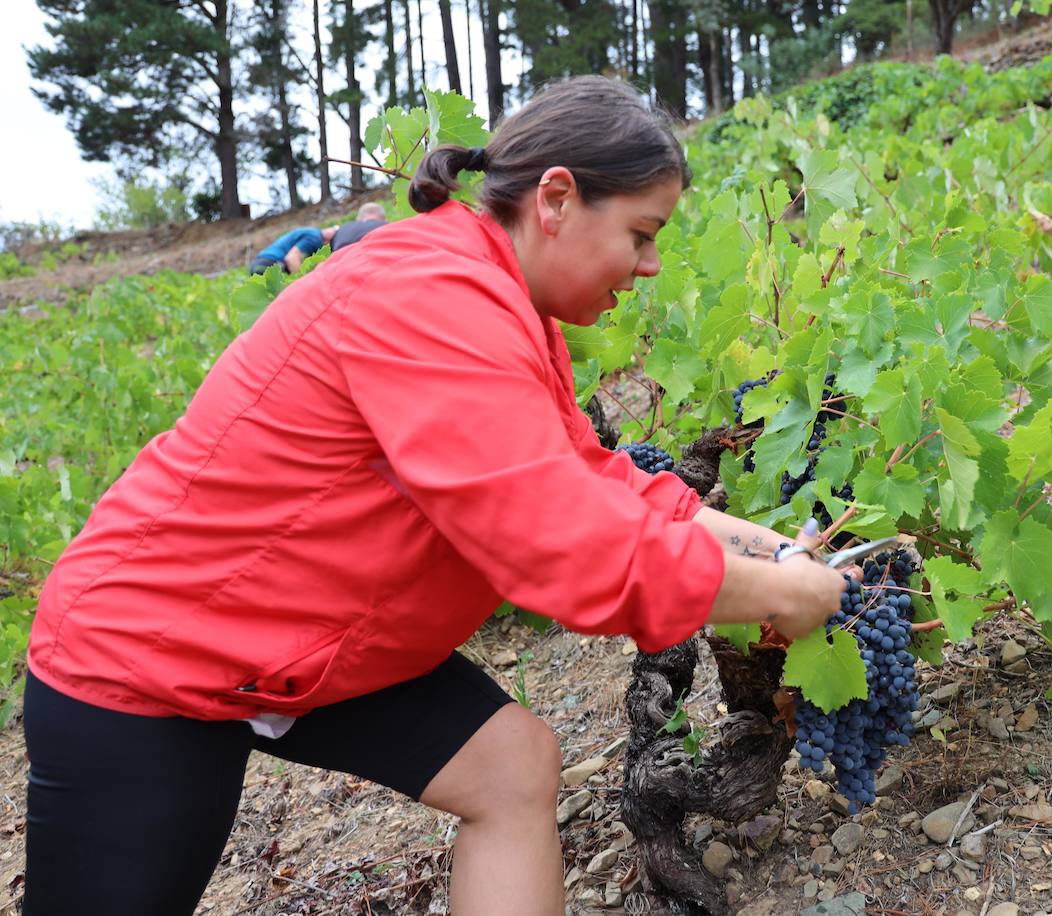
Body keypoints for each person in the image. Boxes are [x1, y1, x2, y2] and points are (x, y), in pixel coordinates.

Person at [21, 75, 847, 916]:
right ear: (556, 197)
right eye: (642, 232)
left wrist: (766, 547)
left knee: (510, 766)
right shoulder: (428, 297)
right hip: (149, 658)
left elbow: (597, 480)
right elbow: (560, 542)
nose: (652, 263)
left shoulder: (497, 299)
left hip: (296, 640)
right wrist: (781, 592)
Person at [248, 224, 338, 274]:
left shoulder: (312, 232)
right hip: (270, 264)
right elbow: (291, 258)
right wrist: (302, 282)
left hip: (258, 263)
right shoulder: (315, 238)